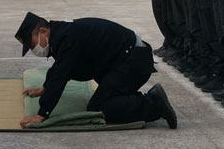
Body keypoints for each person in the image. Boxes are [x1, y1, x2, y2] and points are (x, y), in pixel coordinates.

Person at [14, 12, 177, 128]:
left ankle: (154, 104)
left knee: (99, 107)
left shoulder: (66, 38)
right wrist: (46, 88)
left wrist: (42, 114)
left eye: (32, 44)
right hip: (126, 59)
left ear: (43, 31)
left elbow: (61, 73)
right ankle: (133, 100)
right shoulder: (62, 33)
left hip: (133, 62)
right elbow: (60, 68)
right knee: (107, 98)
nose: (34, 49)